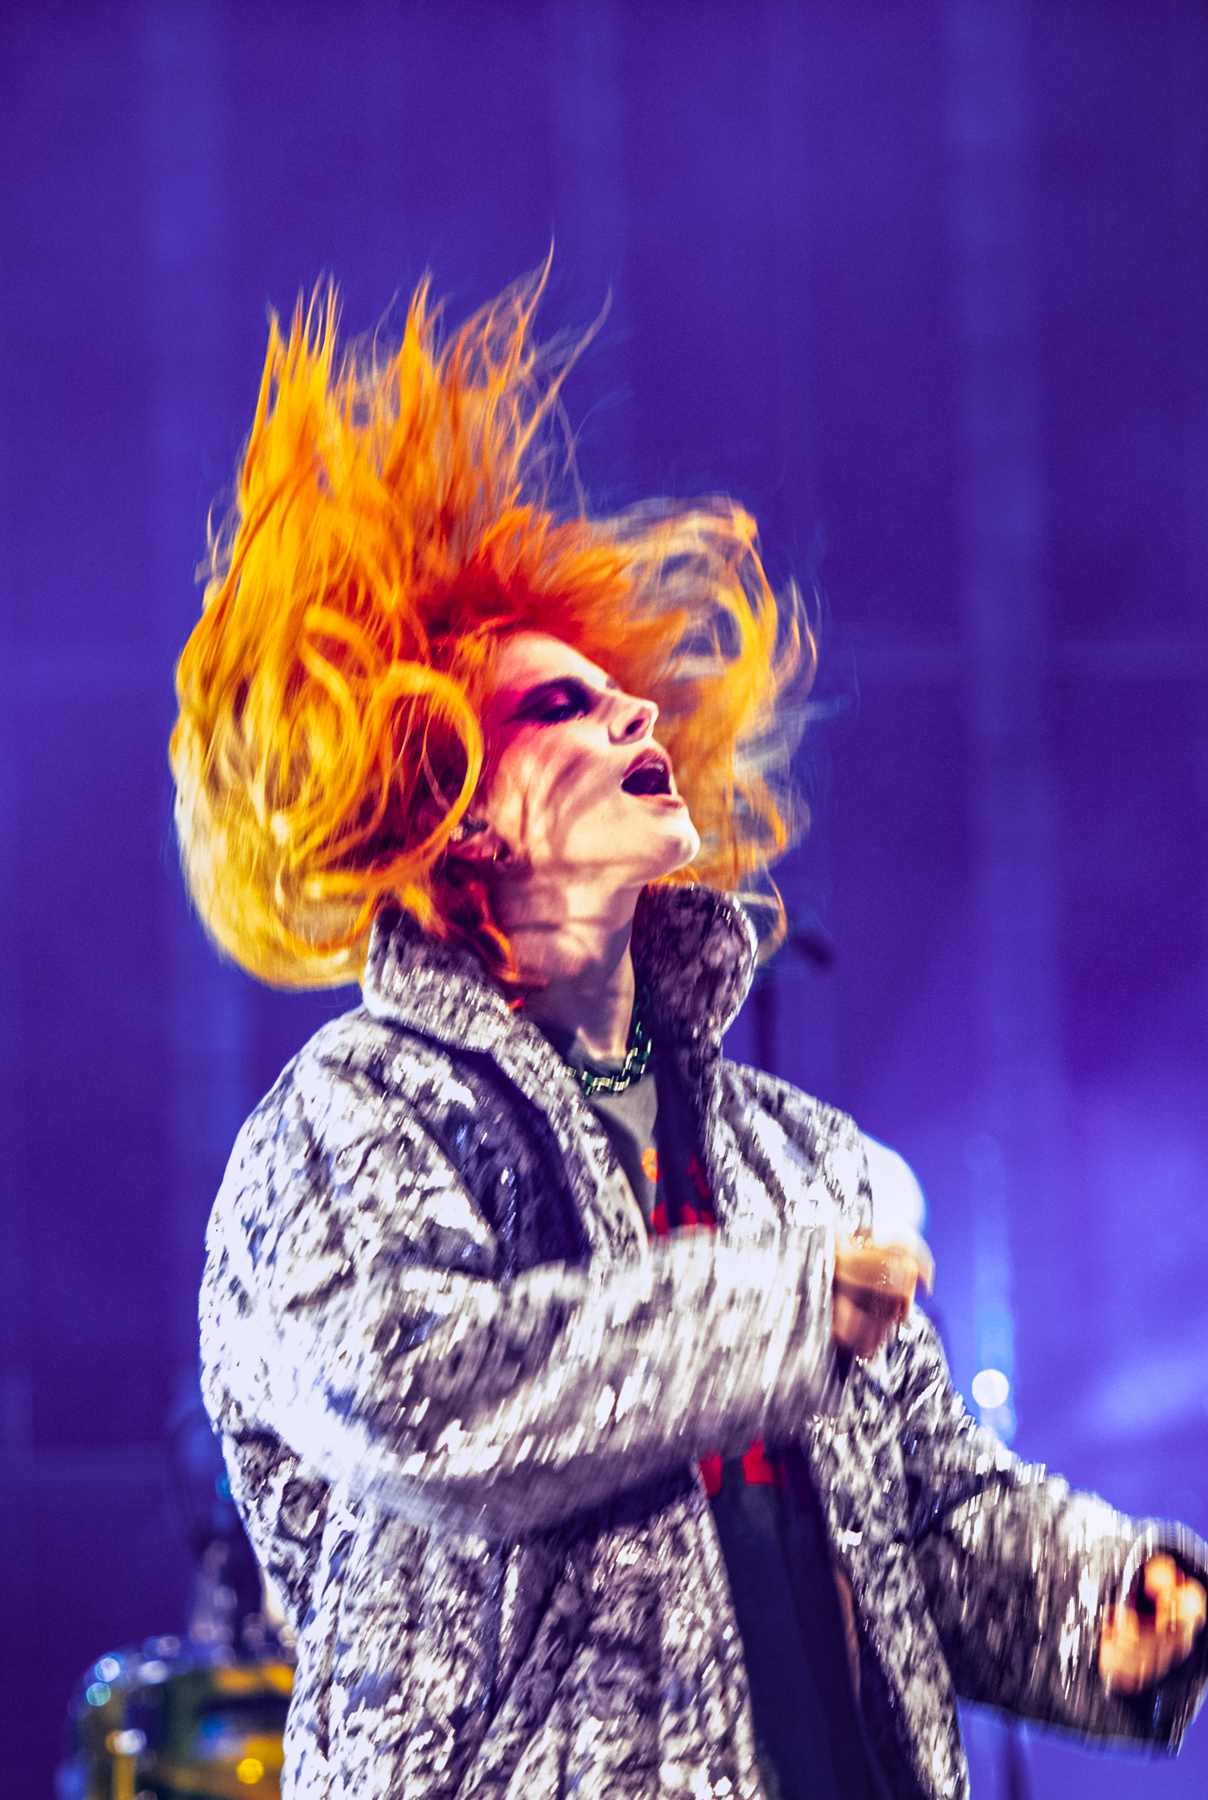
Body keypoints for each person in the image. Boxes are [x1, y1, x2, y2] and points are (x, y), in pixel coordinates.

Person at [174, 271, 1207, 1800]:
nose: (637, 720)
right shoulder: (347, 1117)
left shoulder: (800, 1160)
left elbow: (929, 1517)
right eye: (559, 710)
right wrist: (772, 1314)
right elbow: (416, 1392)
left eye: (627, 699)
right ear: (451, 811)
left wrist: (1102, 1604)